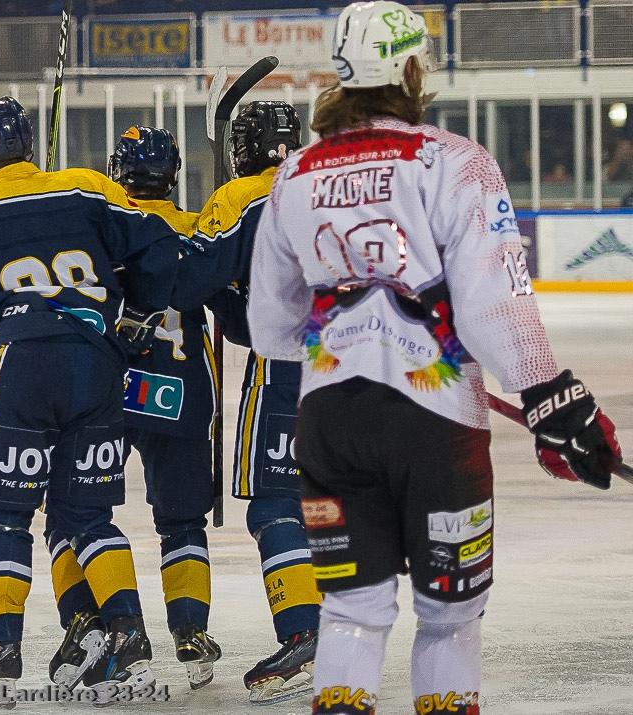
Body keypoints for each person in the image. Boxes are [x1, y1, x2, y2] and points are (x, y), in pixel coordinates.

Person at [246, 3, 624, 714]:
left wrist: (352, 337)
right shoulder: (454, 161)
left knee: (351, 610)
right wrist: (554, 400)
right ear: (412, 68)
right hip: (435, 425)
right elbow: (493, 304)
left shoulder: (294, 174)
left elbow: (270, 326)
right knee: (449, 615)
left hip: (330, 421)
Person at [0, 98, 180, 699]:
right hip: (97, 366)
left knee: (5, 514)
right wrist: (136, 314)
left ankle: (1, 646)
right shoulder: (88, 188)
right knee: (89, 515)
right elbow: (157, 244)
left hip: (23, 368)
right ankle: (126, 632)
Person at [43, 125, 222, 692]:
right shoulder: (197, 230)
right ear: (174, 175)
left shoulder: (101, 229)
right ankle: (191, 633)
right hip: (182, 395)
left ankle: (89, 623)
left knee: (71, 510)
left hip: (111, 392)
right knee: (182, 521)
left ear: (118, 172)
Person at [171, 101, 321, 705]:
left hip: (289, 366)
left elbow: (189, 278)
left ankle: (306, 633)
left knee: (277, 502)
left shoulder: (243, 197)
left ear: (244, 149)